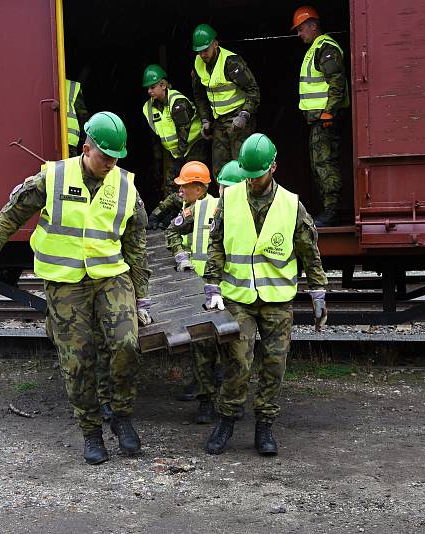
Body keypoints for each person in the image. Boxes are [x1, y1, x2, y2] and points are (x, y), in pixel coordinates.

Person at [0, 112, 152, 466]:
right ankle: (91, 432)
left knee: (125, 344)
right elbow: (8, 218)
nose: (111, 163)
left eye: (116, 157)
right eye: (104, 156)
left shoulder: (125, 186)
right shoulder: (52, 178)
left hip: (110, 275)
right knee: (77, 360)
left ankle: (122, 417)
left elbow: (136, 243)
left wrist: (141, 295)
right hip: (64, 281)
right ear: (86, 148)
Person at [202, 133, 328, 456]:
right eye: (248, 175)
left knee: (274, 364)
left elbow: (309, 251)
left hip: (277, 300)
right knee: (238, 364)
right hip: (239, 298)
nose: (252, 181)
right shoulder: (229, 200)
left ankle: (265, 426)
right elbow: (216, 244)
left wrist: (318, 292)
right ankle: (226, 420)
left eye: (257, 175)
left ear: (273, 167)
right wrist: (212, 284)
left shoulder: (290, 204)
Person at [163, 161, 222, 422]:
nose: (180, 190)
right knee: (202, 343)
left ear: (199, 188)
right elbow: (171, 231)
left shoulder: (217, 207)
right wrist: (180, 256)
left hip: (221, 285)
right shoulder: (192, 209)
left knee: (228, 345)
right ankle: (206, 399)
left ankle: (228, 398)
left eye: (184, 186)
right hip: (196, 285)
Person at [292, 6, 349, 227]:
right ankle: (329, 209)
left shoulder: (326, 48)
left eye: (301, 29)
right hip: (319, 119)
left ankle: (332, 211)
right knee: (319, 165)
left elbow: (336, 83)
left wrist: (329, 112)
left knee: (325, 164)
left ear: (313, 26)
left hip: (326, 119)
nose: (299, 34)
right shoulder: (316, 48)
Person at [140, 64, 210, 230]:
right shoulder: (148, 108)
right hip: (174, 152)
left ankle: (194, 218)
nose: (149, 91)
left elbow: (183, 133)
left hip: (193, 145)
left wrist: (180, 157)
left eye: (152, 87)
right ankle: (170, 217)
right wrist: (160, 159)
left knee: (193, 182)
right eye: (147, 88)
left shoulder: (177, 102)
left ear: (163, 85)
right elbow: (156, 136)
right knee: (172, 184)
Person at [191, 23, 260, 178]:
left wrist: (244, 115)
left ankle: (246, 200)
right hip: (219, 123)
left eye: (206, 49)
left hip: (239, 120)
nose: (202, 54)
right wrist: (204, 120)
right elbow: (200, 96)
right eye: (199, 51)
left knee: (243, 166)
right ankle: (225, 201)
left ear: (215, 44)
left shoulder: (231, 62)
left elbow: (253, 90)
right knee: (220, 171)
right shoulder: (198, 65)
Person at [65, 78, 90, 157]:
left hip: (42, 141)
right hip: (69, 142)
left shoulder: (36, 83)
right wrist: (85, 141)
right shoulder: (72, 87)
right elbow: (82, 117)